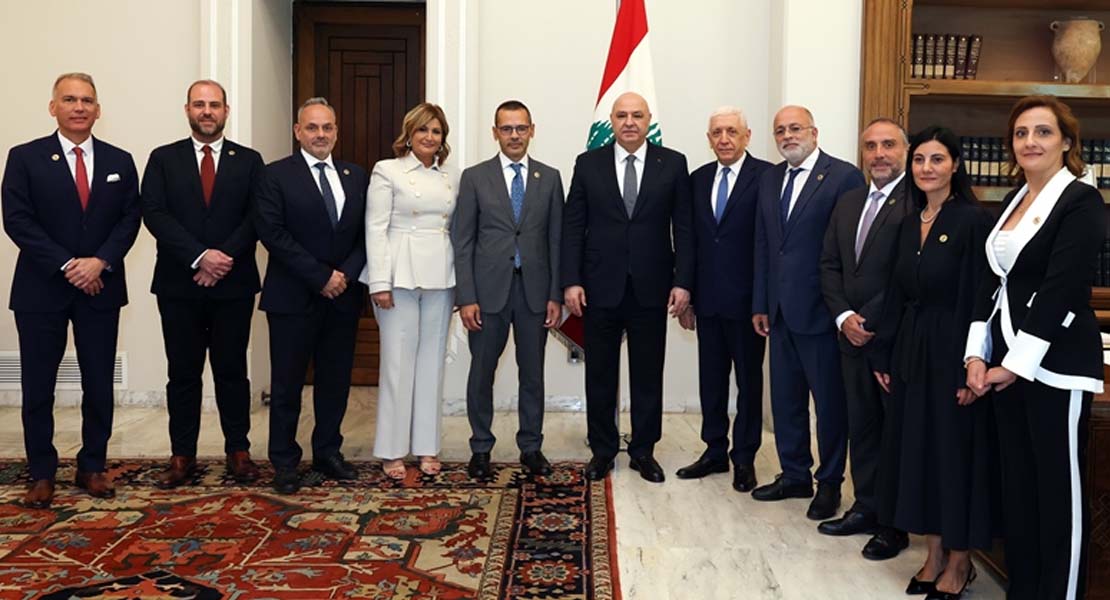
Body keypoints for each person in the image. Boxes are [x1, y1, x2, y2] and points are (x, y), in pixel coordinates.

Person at [966, 95, 1104, 600]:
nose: (1030, 141)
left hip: (1055, 365)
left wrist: (1015, 365)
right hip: (1005, 364)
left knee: (1059, 496)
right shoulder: (1014, 198)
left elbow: (1061, 289)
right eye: (1021, 133)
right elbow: (992, 281)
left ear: (1066, 141)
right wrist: (976, 354)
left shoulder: (1081, 201)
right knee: (1019, 492)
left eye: (1043, 132)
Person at [1, 73, 141, 507]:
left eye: (87, 100)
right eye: (69, 99)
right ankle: (41, 472)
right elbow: (17, 219)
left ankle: (92, 466)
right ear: (53, 107)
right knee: (38, 384)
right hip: (41, 289)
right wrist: (67, 264)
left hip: (100, 287)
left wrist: (99, 261)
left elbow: (130, 219)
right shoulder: (24, 157)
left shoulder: (120, 160)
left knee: (98, 382)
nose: (79, 107)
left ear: (98, 109)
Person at [871, 126, 993, 599]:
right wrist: (884, 353)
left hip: (953, 351)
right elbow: (895, 294)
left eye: (937, 159)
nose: (926, 168)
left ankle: (961, 563)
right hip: (911, 351)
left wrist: (971, 364)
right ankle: (934, 553)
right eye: (920, 159)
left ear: (955, 165)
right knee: (918, 453)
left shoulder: (972, 220)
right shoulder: (908, 222)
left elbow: (979, 296)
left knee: (952, 457)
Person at [561, 91, 694, 484]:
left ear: (649, 119)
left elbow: (684, 228)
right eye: (622, 115)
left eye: (637, 115)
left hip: (653, 287)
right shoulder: (588, 164)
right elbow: (573, 226)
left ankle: (643, 451)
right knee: (600, 373)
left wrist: (683, 282)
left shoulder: (673, 163)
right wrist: (571, 280)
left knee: (648, 373)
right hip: (599, 286)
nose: (630, 122)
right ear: (612, 121)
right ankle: (602, 450)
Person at [141, 79, 264, 488]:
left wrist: (221, 258)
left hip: (233, 283)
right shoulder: (163, 158)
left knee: (232, 370)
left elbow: (258, 216)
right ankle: (182, 455)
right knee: (183, 373)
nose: (206, 111)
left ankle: (238, 451)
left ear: (226, 111)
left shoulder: (249, 161)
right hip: (179, 284)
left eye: (214, 105)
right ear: (187, 110)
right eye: (199, 104)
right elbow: (154, 213)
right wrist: (199, 256)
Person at [751, 105, 865, 519]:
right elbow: (765, 245)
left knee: (829, 406)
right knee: (786, 402)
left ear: (814, 132)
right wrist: (761, 303)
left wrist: (843, 310)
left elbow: (850, 249)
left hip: (823, 313)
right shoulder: (770, 179)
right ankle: (794, 474)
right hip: (779, 312)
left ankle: (829, 483)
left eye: (795, 128)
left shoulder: (843, 177)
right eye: (780, 130)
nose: (787, 136)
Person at [255, 97, 368, 494]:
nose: (321, 134)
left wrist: (344, 275)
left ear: (336, 131)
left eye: (327, 127)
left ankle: (327, 452)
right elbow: (273, 234)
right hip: (292, 297)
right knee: (287, 385)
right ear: (297, 131)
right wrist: (321, 276)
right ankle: (285, 462)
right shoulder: (274, 175)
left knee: (335, 382)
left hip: (342, 297)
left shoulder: (355, 175)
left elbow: (366, 234)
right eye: (312, 127)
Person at [453, 100, 564, 479]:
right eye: (506, 128)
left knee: (532, 374)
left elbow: (556, 241)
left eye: (520, 128)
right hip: (487, 294)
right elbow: (462, 241)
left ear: (532, 130)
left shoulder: (550, 178)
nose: (514, 135)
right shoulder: (475, 178)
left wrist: (555, 294)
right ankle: (480, 447)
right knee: (481, 372)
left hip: (534, 294)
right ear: (495, 132)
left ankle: (531, 447)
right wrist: (466, 297)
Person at [817, 118, 912, 559]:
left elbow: (904, 274)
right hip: (849, 338)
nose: (879, 154)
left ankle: (895, 524)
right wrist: (843, 317)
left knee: (896, 434)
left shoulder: (917, 202)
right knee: (863, 427)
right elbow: (829, 264)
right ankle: (866, 506)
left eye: (888, 145)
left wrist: (868, 320)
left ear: (905, 150)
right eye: (871, 146)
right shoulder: (850, 200)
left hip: (891, 339)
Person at [361, 103, 458, 480]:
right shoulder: (388, 170)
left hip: (440, 275)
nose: (429, 137)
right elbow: (375, 228)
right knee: (398, 365)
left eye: (436, 131)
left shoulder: (451, 176)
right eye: (422, 130)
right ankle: (391, 449)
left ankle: (427, 446)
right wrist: (380, 282)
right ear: (409, 134)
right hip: (398, 275)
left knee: (432, 363)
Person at [676, 106, 770, 492]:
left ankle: (744, 458)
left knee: (749, 383)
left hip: (749, 306)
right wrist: (688, 296)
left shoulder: (767, 177)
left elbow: (769, 244)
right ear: (709, 139)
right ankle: (714, 450)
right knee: (711, 382)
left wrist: (763, 301)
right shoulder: (697, 179)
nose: (724, 139)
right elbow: (690, 241)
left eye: (732, 131)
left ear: (747, 136)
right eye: (717, 133)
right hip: (708, 302)